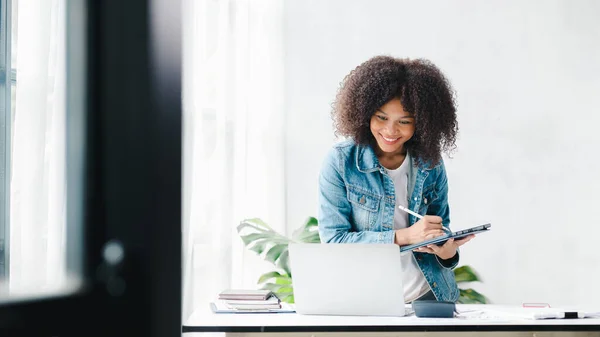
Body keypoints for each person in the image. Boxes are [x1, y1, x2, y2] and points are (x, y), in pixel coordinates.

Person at [317, 55, 474, 303]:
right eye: (381, 118)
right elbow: (334, 240)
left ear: (421, 123)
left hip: (429, 296)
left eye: (404, 122)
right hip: (366, 300)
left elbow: (438, 227)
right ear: (364, 112)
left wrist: (446, 251)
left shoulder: (429, 161)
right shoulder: (341, 162)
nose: (390, 131)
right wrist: (404, 236)